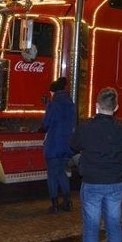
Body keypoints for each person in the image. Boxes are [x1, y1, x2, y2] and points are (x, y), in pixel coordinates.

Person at [71, 87, 122, 242]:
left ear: (96, 105)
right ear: (116, 107)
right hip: (114, 183)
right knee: (114, 226)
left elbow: (74, 145)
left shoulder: (85, 127)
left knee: (91, 228)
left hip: (92, 182)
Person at [43, 76, 76, 213]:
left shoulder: (54, 104)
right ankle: (67, 202)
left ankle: (55, 204)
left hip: (54, 146)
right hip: (66, 145)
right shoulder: (71, 105)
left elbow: (45, 124)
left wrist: (47, 107)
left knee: (52, 175)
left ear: (54, 92)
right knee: (62, 172)